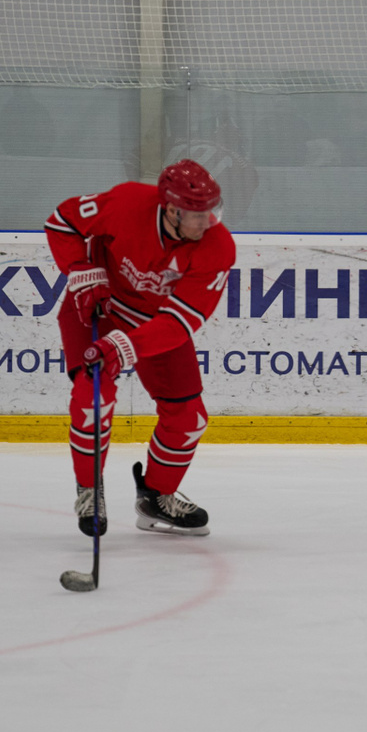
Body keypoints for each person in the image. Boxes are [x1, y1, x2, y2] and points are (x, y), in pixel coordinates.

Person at [45, 159, 236, 538]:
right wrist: (80, 268)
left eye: (211, 211)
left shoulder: (218, 247)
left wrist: (125, 345)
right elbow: (62, 221)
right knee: (93, 396)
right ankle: (90, 490)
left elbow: (178, 323)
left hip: (156, 325)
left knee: (189, 418)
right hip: (100, 308)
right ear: (171, 210)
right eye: (197, 214)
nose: (207, 222)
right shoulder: (127, 202)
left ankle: (156, 497)